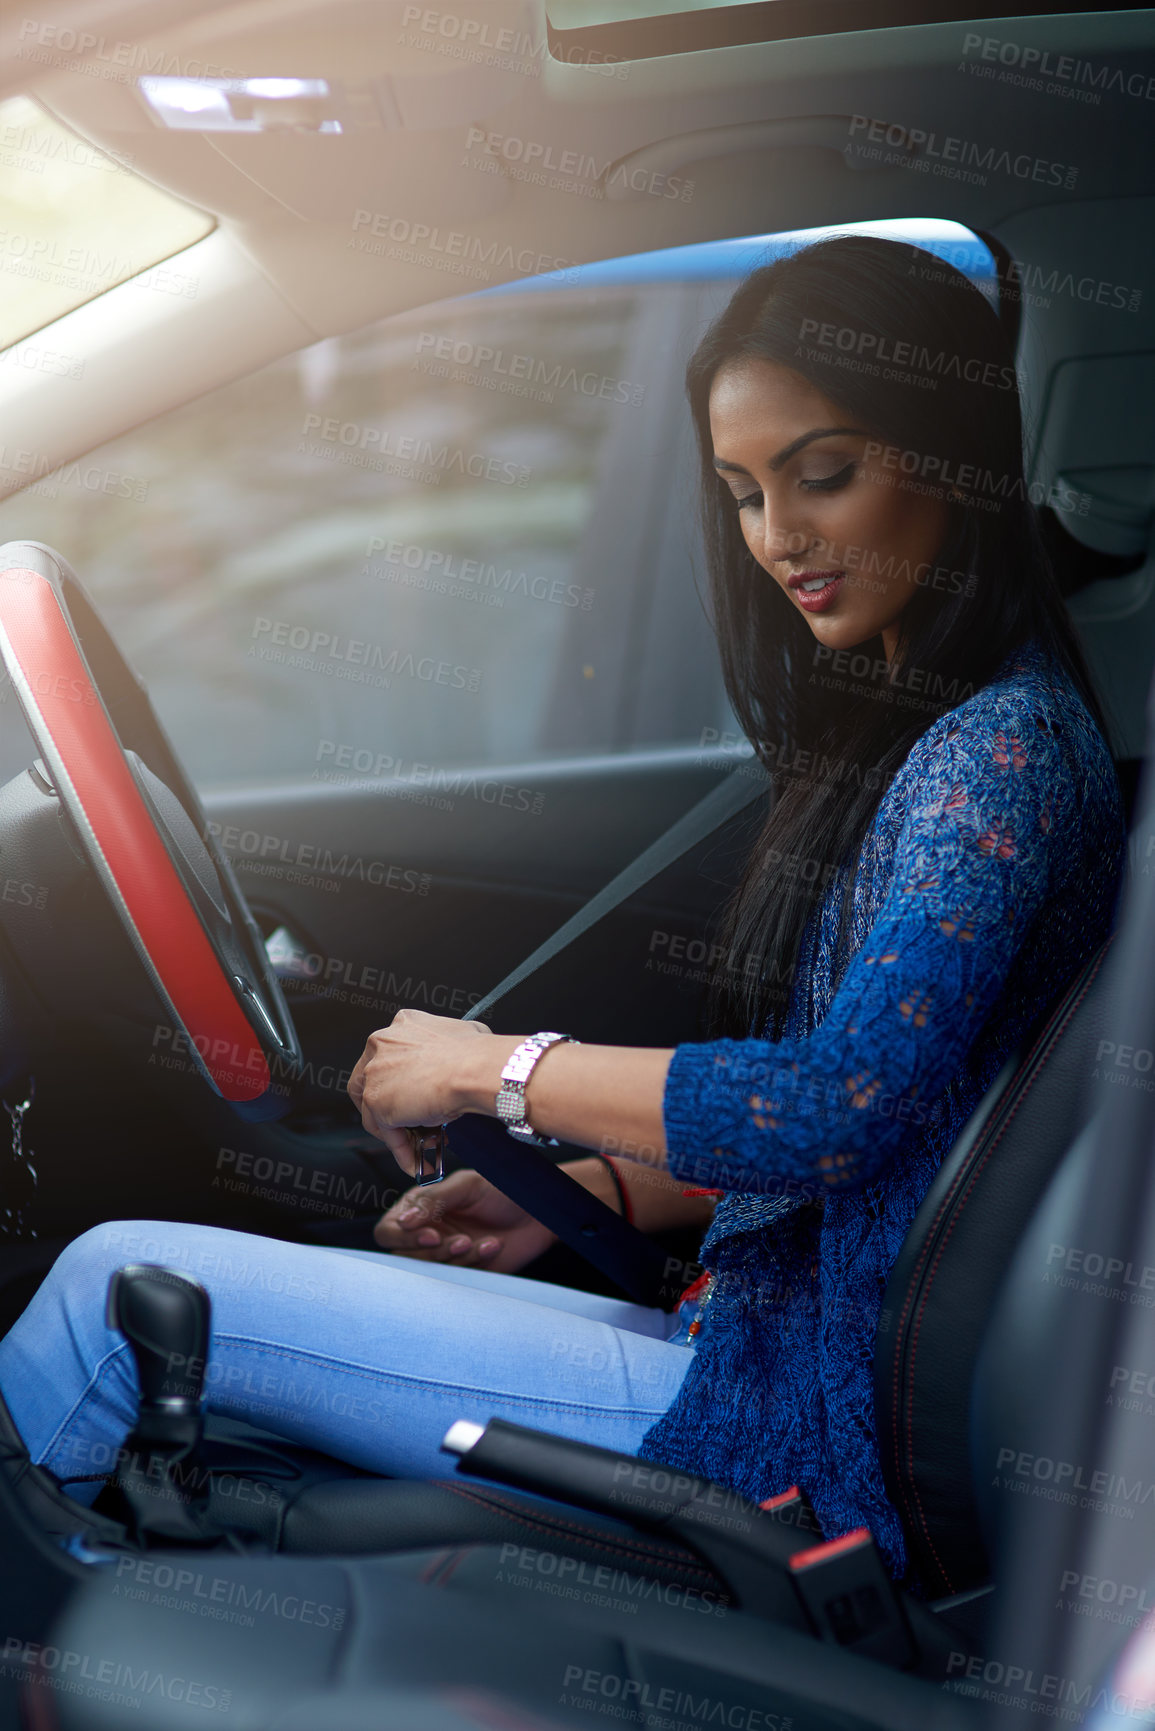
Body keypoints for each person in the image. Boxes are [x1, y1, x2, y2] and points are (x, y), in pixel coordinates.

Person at [0, 235, 1126, 1586]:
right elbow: (921, 1121)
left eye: (822, 475)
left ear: (952, 453)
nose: (779, 538)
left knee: (105, 1300)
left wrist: (498, 1071)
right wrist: (595, 1193)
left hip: (785, 1418)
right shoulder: (947, 733)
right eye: (743, 492)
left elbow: (841, 1104)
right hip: (768, 1347)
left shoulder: (998, 755)